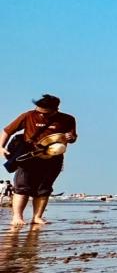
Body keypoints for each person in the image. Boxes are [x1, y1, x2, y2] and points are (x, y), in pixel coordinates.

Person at [3, 94, 77, 227]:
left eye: (45, 113)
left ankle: (37, 217)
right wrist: (1, 147)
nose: (41, 114)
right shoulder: (28, 115)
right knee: (22, 187)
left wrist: (70, 137)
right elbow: (7, 131)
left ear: (55, 109)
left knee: (44, 189)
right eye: (38, 111)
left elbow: (72, 138)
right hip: (29, 156)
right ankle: (17, 217)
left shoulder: (67, 119)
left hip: (53, 157)